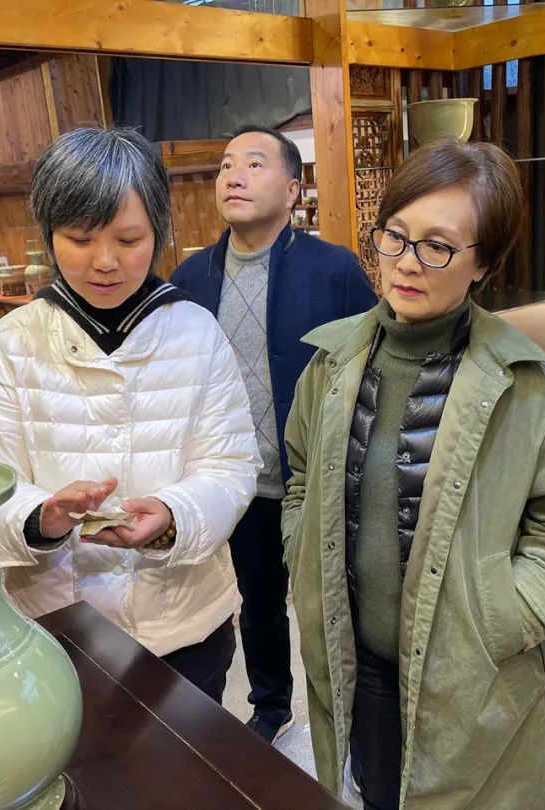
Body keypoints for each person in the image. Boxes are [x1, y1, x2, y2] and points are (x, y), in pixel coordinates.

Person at [280, 139, 545, 809]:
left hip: (473, 677)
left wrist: (502, 617)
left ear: (483, 264)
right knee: (377, 791)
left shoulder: (525, 387)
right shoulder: (332, 364)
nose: (407, 263)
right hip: (359, 665)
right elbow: (299, 477)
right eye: (395, 236)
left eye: (437, 246)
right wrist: (303, 551)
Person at [0, 127, 261, 705]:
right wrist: (40, 518)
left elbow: (232, 465)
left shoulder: (196, 332)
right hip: (52, 627)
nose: (106, 261)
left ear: (158, 233)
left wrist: (172, 516)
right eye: (80, 238)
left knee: (187, 760)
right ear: (49, 235)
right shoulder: (14, 342)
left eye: (129, 239)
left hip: (182, 624)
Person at [171, 124, 378, 742]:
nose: (233, 175)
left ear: (293, 190)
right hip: (236, 480)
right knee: (258, 603)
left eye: (254, 164)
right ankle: (271, 705)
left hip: (315, 479)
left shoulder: (334, 270)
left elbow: (372, 368)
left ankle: (355, 712)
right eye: (226, 165)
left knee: (336, 601)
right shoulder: (190, 278)